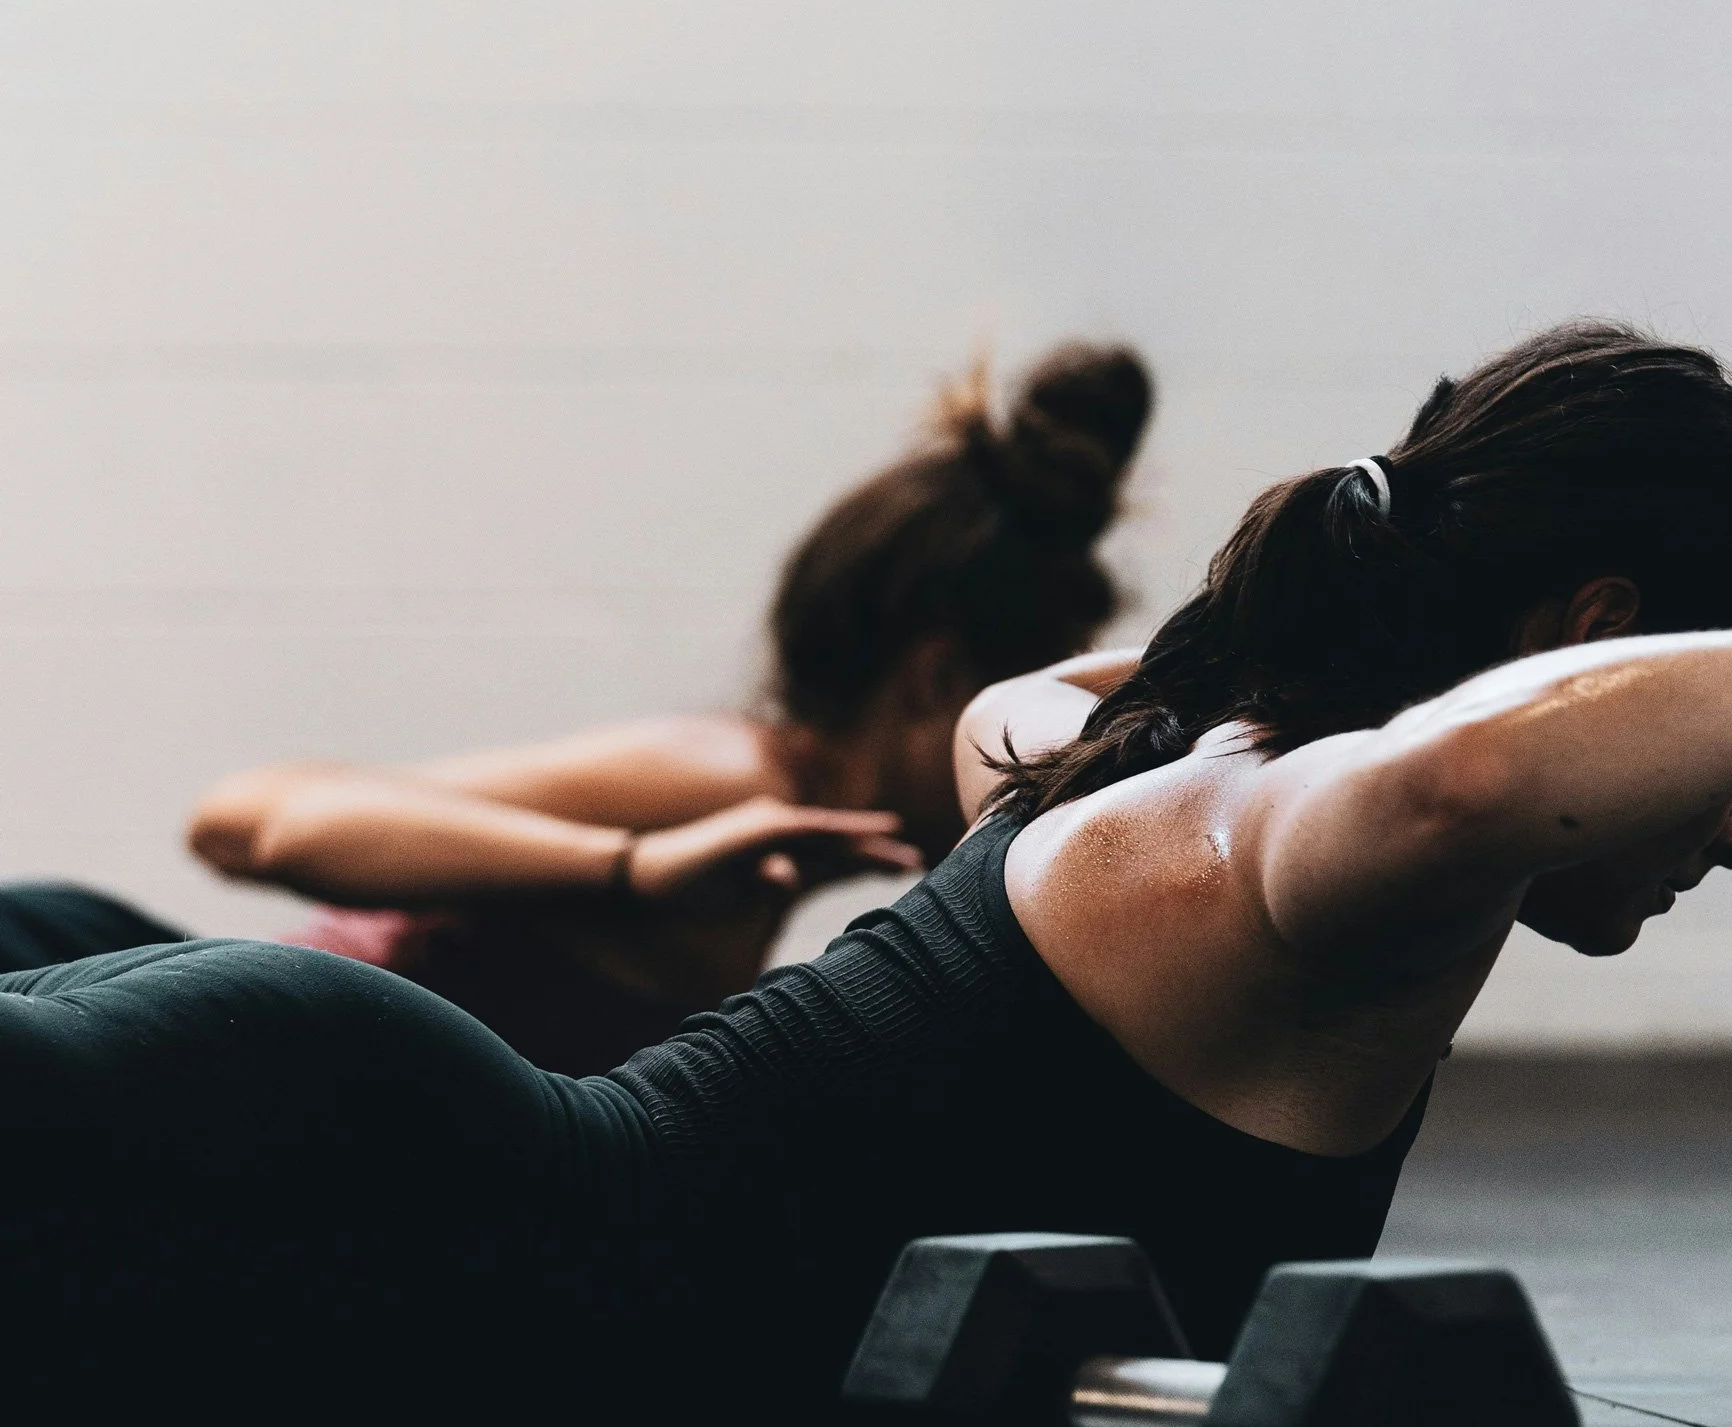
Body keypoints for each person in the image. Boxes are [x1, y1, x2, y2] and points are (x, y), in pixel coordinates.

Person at [3, 319, 1732, 1427]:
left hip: (326, 1207)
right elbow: (1462, 779)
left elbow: (1018, 710)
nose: (1729, 823)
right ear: (1592, 649)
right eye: (1729, 750)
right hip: (319, 1216)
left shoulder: (1128, 748)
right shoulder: (1286, 850)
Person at [0, 342, 1153, 1075]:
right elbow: (252, 821)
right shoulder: (723, 783)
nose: (1042, 767)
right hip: (184, 1062)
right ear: (930, 680)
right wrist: (629, 868)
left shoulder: (765, 853)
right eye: (1030, 714)